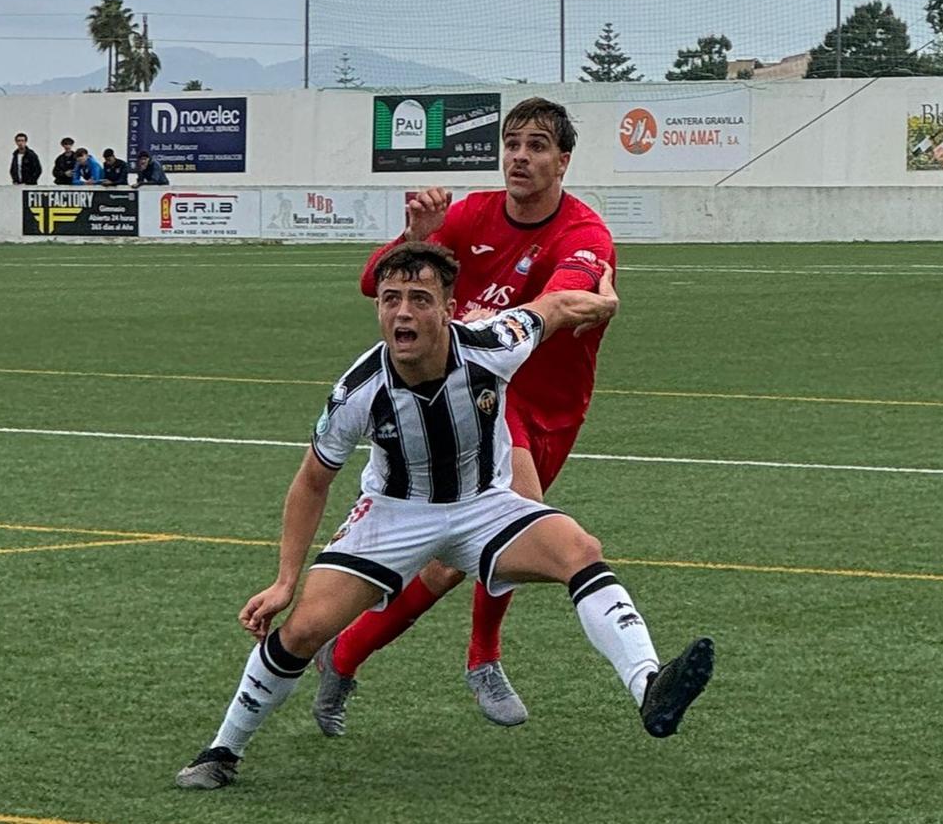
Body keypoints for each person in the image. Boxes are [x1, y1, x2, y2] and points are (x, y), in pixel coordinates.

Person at [175, 243, 714, 791]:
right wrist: (285, 580)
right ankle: (222, 750)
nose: (402, 312)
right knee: (307, 629)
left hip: (484, 505)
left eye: (419, 299)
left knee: (580, 549)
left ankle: (650, 685)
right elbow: (312, 479)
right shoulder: (357, 390)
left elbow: (552, 309)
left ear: (449, 309)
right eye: (390, 299)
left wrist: (603, 306)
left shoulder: (492, 345)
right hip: (393, 515)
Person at [313, 96, 619, 733]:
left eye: (537, 146)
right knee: (524, 529)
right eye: (512, 144)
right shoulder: (470, 213)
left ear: (563, 161)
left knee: (453, 562)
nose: (520, 157)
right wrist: (416, 239)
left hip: (556, 409)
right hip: (481, 402)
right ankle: (483, 658)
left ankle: (343, 653)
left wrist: (501, 322)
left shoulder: (585, 233)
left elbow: (566, 293)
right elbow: (376, 282)